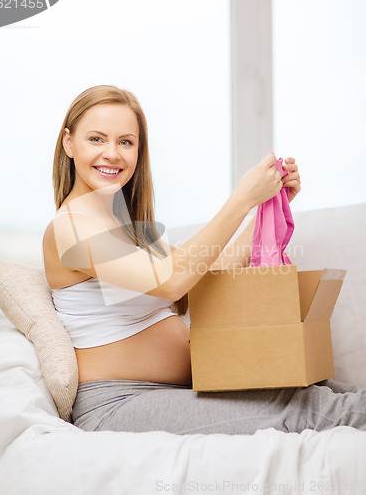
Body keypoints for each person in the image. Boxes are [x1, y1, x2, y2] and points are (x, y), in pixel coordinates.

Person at [42, 84, 366, 435]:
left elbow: (204, 273)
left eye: (126, 142)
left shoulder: (130, 227)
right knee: (320, 412)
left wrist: (267, 206)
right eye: (96, 139)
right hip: (120, 402)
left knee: (334, 395)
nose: (112, 153)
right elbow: (172, 281)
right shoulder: (70, 227)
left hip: (175, 390)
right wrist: (241, 198)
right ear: (68, 143)